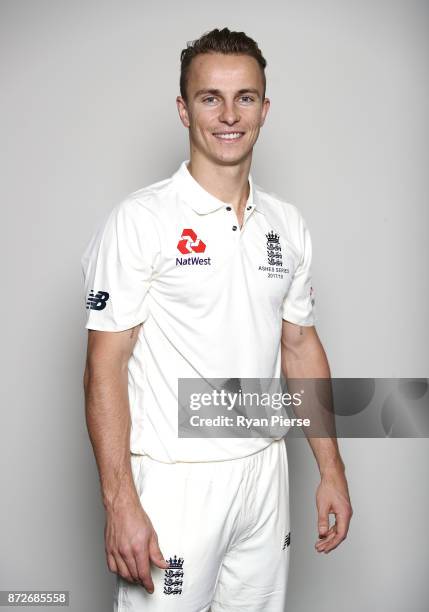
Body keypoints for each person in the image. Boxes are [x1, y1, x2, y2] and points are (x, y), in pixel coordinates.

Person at [81, 27, 353, 612]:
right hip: (176, 481)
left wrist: (331, 469)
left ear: (264, 107)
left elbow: (300, 347)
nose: (229, 115)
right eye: (210, 98)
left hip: (264, 473)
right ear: (184, 109)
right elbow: (104, 367)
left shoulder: (286, 223)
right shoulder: (140, 221)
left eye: (245, 97)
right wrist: (119, 502)